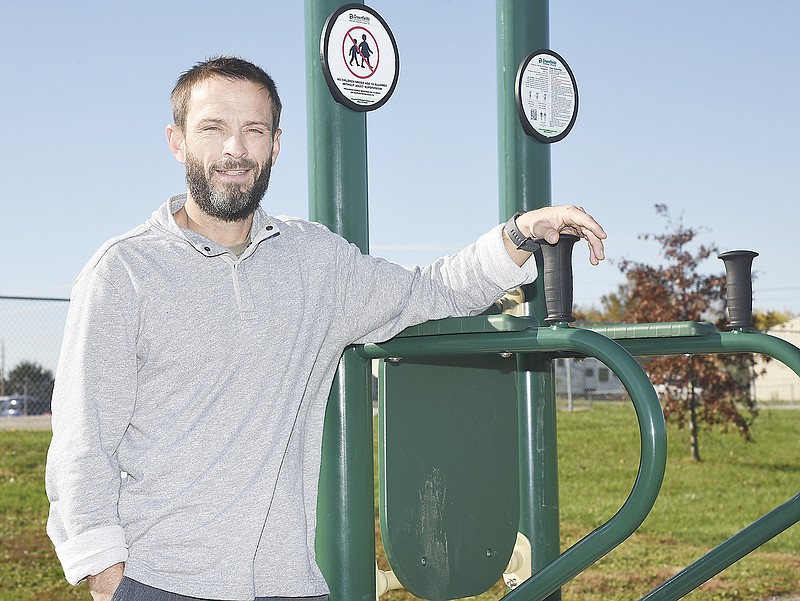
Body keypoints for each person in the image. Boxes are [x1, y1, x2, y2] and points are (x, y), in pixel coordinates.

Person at [45, 56, 606, 601]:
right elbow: (82, 440)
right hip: (159, 582)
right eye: (212, 128)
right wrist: (108, 577)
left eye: (253, 130)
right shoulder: (124, 272)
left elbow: (431, 290)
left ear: (276, 144)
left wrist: (519, 233)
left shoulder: (313, 261)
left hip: (289, 584)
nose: (234, 149)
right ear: (177, 141)